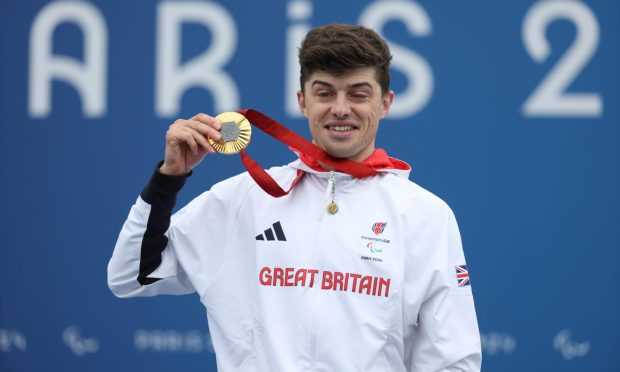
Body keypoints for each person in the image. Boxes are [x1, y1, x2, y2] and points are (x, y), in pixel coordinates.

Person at [108, 23, 482, 371]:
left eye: (358, 93)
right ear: (303, 101)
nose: (340, 108)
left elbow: (452, 359)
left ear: (385, 103)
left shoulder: (425, 215)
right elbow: (131, 275)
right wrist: (169, 179)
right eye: (325, 93)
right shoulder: (244, 199)